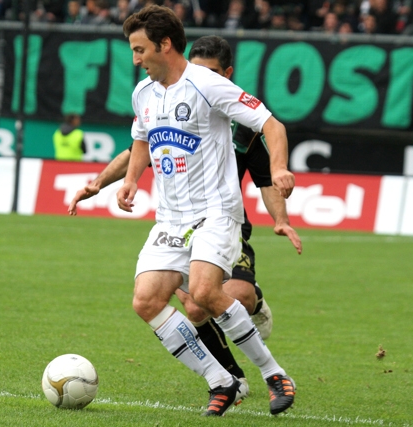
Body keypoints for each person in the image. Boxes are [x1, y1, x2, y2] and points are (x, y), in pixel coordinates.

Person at [68, 34, 302, 409]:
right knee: (148, 301)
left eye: (139, 49)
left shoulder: (213, 89)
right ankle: (222, 380)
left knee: (208, 295)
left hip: (216, 212)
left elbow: (271, 128)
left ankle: (274, 374)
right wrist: (123, 181)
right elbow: (140, 141)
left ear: (164, 45)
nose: (134, 59)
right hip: (171, 219)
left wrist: (279, 176)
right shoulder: (144, 92)